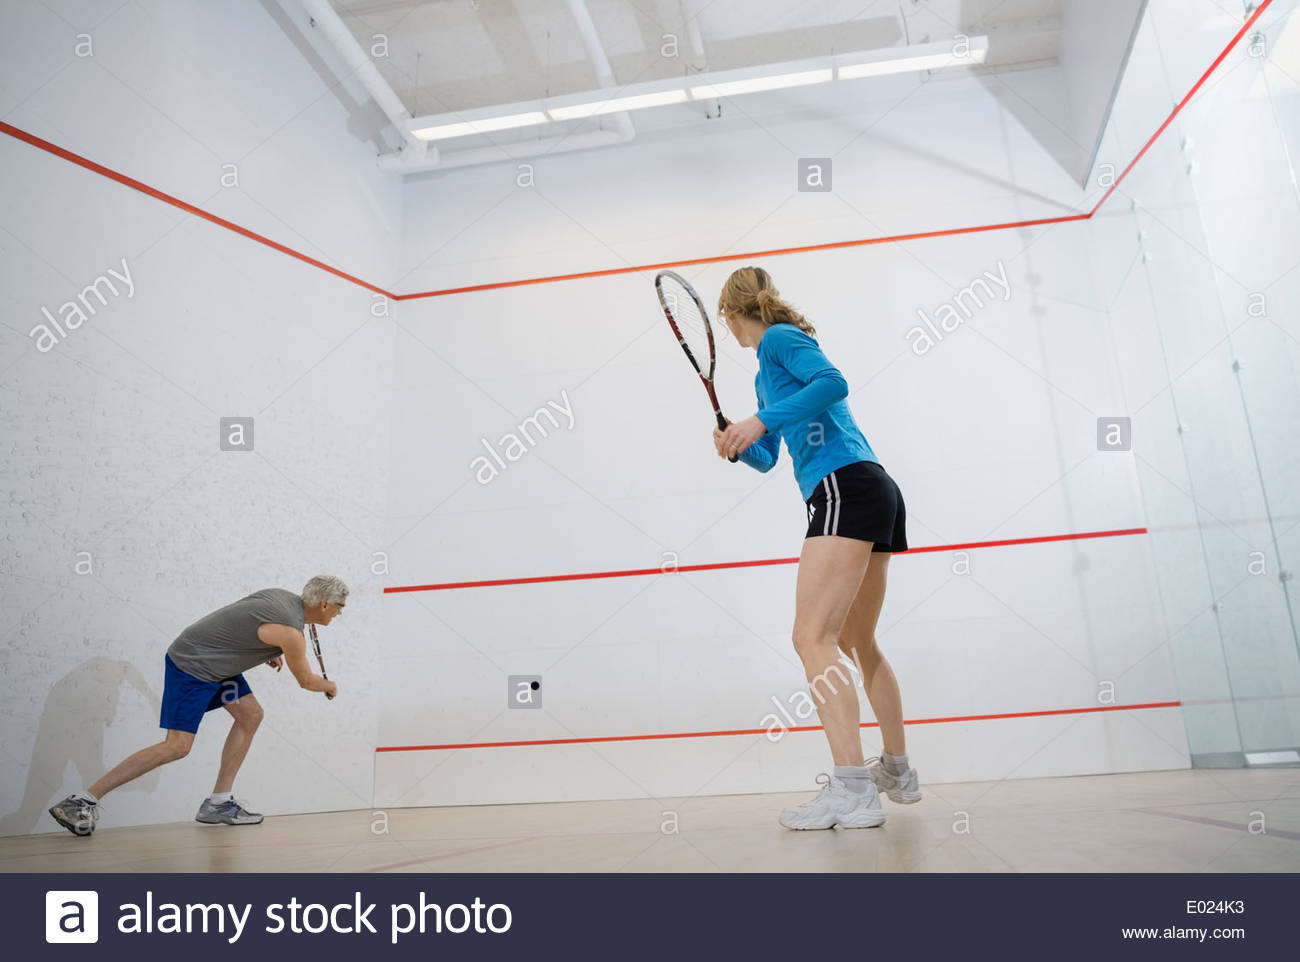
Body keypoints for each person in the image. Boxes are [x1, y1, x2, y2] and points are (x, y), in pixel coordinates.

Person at [712, 266, 921, 830]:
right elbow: (771, 454)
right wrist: (740, 442)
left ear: (731, 314)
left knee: (811, 637)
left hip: (843, 485)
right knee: (855, 639)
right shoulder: (765, 377)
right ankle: (896, 770)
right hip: (872, 488)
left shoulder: (779, 340)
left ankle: (853, 791)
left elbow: (833, 383)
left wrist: (758, 419)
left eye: (723, 318)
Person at [47, 575, 346, 837]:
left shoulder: (281, 599)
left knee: (251, 715)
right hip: (193, 665)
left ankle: (219, 802)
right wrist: (329, 685)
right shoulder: (291, 633)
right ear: (323, 605)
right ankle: (83, 800)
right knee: (177, 746)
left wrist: (264, 649)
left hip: (219, 664)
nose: (338, 613)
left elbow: (245, 622)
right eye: (339, 607)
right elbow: (306, 681)